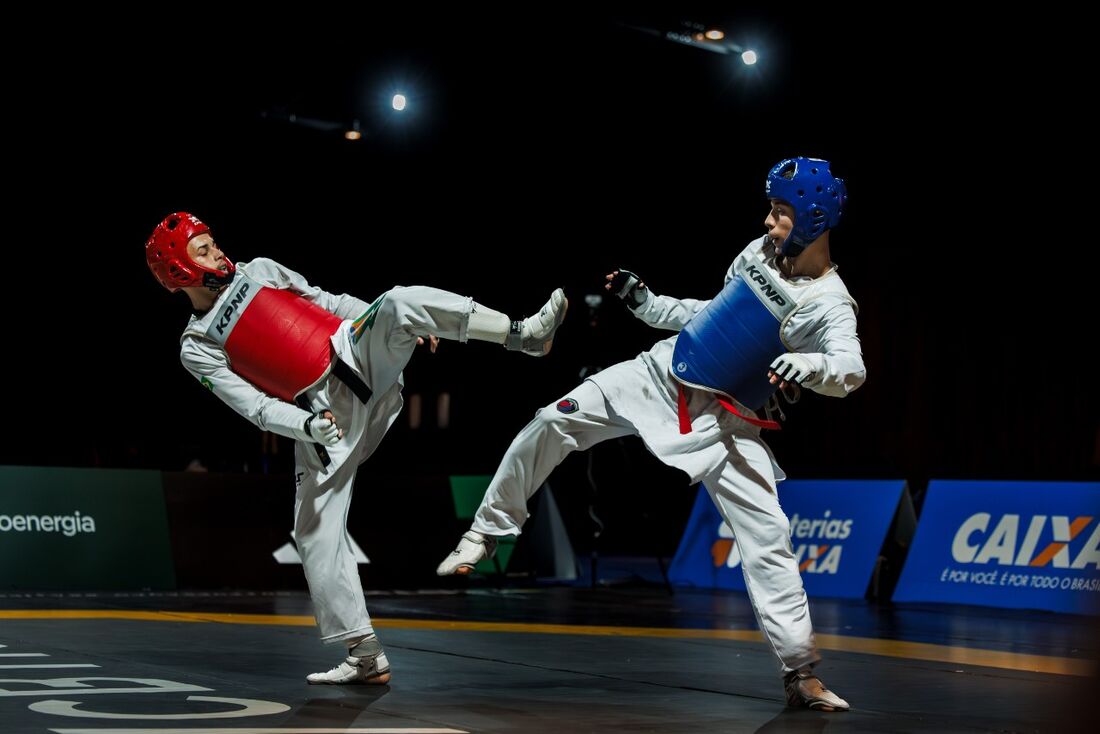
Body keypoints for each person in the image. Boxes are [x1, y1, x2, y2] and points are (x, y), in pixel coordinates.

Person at [436, 157, 863, 711]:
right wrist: (647, 304)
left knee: (769, 536)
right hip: (657, 374)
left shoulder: (830, 303)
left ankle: (800, 672)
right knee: (551, 419)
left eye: (780, 213)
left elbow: (850, 369)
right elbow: (711, 315)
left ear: (812, 218)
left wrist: (813, 368)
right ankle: (489, 530)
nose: (767, 222)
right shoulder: (756, 254)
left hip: (724, 421)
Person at [146, 212, 567, 685]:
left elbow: (330, 301)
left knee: (400, 301)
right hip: (323, 421)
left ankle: (522, 335)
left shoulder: (259, 269)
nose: (218, 252)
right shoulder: (196, 344)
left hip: (356, 356)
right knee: (314, 532)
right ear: (179, 271)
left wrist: (396, 321)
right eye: (202, 250)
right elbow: (257, 408)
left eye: (213, 243)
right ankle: (364, 654)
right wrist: (306, 426)